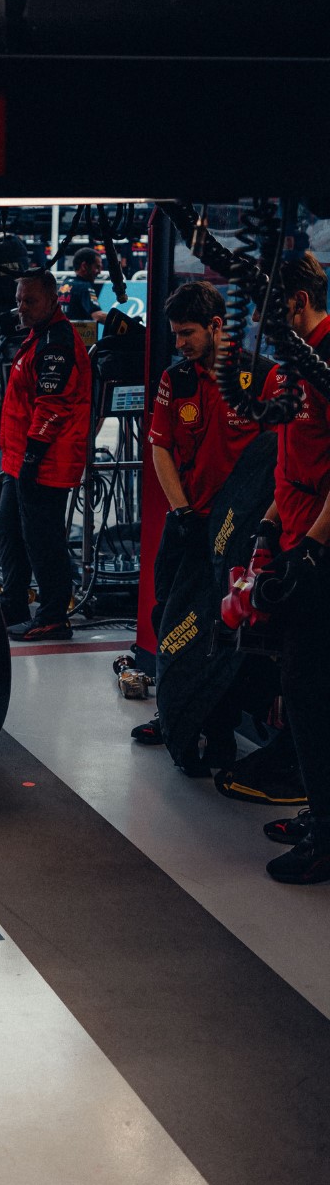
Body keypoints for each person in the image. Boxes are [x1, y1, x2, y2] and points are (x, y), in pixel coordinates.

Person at [133, 280, 264, 757]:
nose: (180, 343)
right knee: (169, 615)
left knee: (227, 630)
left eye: (188, 333)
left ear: (216, 326)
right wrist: (181, 510)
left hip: (237, 533)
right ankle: (172, 709)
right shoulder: (176, 379)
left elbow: (275, 459)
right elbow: (160, 446)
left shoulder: (259, 378)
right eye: (175, 334)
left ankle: (221, 726)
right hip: (188, 523)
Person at [248, 253, 330, 882]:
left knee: (310, 692)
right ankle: (319, 813)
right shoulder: (288, 371)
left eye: (276, 316)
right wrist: (272, 526)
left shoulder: (326, 363)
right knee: (301, 695)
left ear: (298, 304)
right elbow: (290, 463)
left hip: (322, 555)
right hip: (296, 536)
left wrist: (312, 550)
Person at [0, 267, 93, 641]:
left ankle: (53, 616)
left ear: (53, 299)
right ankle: (14, 605)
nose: (21, 307)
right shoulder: (38, 335)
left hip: (45, 462)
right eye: (19, 300)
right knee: (10, 531)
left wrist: (33, 459)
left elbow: (52, 407)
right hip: (21, 459)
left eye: (30, 300)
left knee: (42, 539)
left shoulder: (57, 341)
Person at [66, 247, 104, 322]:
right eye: (97, 267)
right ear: (84, 266)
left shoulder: (65, 283)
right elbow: (98, 316)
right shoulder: (84, 287)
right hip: (77, 332)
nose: (99, 272)